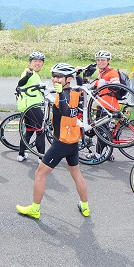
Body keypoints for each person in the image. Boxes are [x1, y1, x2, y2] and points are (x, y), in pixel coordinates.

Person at [16, 63, 90, 219]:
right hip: (72, 142)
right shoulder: (76, 92)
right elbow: (66, 104)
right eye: (54, 76)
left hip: (61, 144)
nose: (55, 79)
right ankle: (85, 207)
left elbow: (64, 111)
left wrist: (60, 93)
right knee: (76, 174)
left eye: (59, 77)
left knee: (40, 174)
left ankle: (35, 209)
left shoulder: (63, 95)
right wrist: (77, 78)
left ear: (68, 78)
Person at [84, 50, 122, 161]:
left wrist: (106, 83)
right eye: (98, 60)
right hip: (103, 104)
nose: (100, 62)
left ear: (108, 61)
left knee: (101, 131)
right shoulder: (102, 73)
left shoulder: (112, 72)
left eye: (103, 60)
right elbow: (95, 88)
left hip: (108, 106)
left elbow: (117, 86)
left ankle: (99, 155)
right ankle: (108, 154)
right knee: (105, 130)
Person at [17, 52, 46, 162]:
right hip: (32, 106)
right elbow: (21, 83)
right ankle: (41, 157)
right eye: (35, 61)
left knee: (29, 131)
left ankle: (21, 154)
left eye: (40, 61)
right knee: (40, 131)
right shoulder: (28, 72)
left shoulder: (35, 74)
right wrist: (28, 76)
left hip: (26, 106)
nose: (37, 63)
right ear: (30, 63)